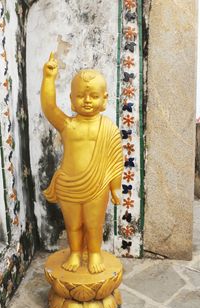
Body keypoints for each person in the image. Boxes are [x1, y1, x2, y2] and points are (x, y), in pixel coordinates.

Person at [41, 52, 123, 274]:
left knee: (93, 224)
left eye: (94, 96)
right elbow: (49, 108)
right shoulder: (69, 125)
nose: (87, 100)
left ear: (104, 99)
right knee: (74, 224)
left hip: (97, 185)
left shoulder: (108, 128)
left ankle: (94, 252)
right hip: (68, 183)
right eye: (81, 96)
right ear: (71, 99)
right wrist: (49, 77)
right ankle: (75, 252)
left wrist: (115, 187)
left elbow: (116, 160)